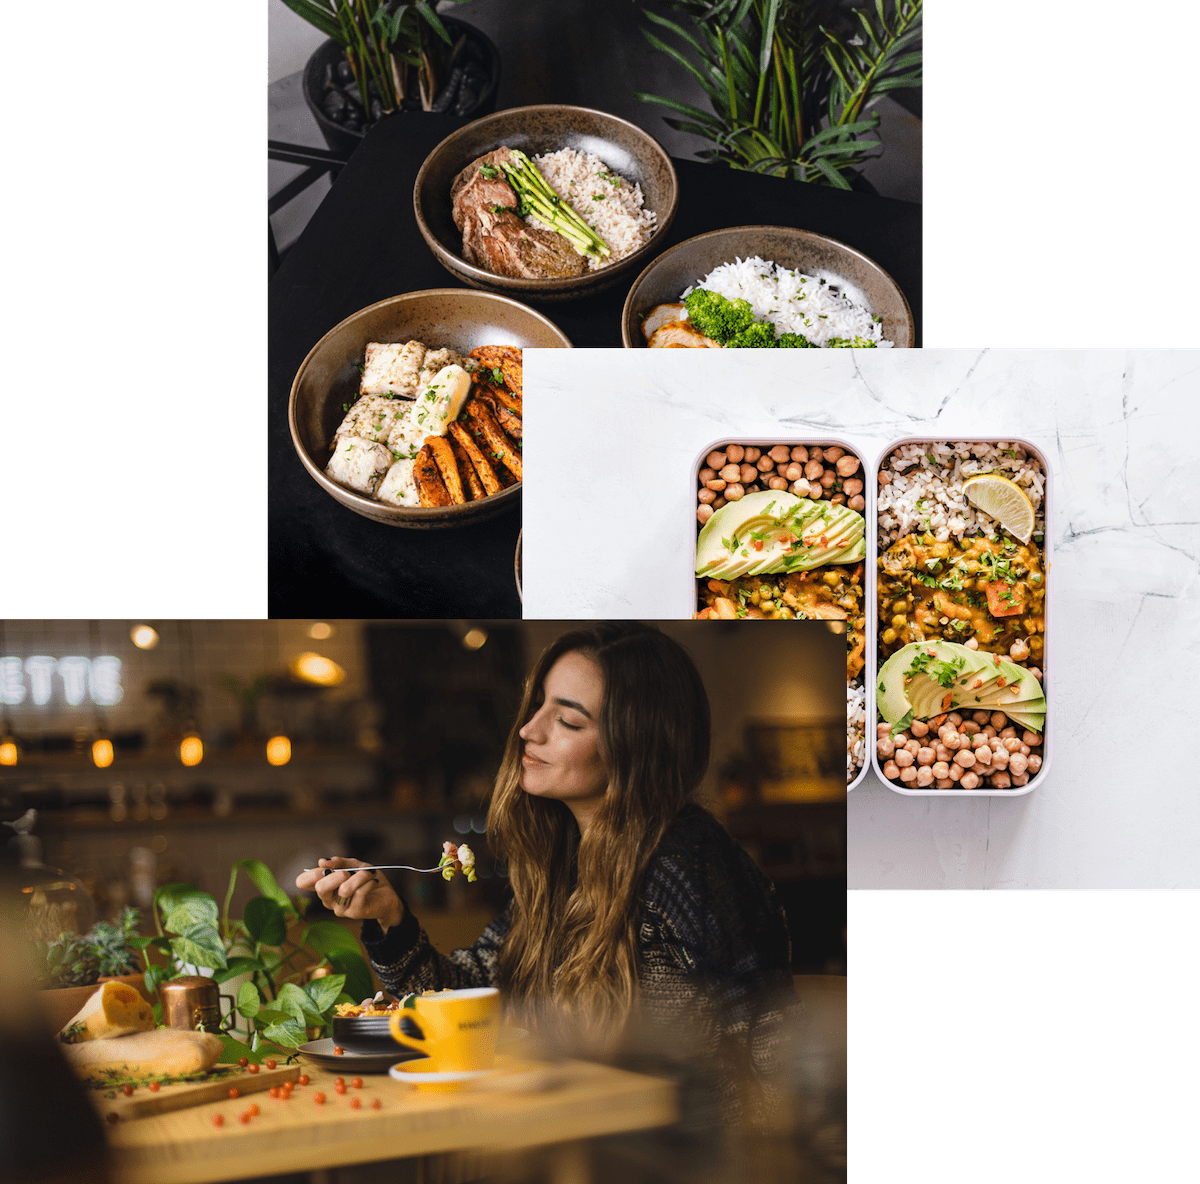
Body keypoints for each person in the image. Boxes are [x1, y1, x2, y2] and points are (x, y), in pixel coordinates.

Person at [295, 622, 798, 1123]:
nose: (527, 730)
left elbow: (770, 1044)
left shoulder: (685, 859)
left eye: (569, 722)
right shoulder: (564, 864)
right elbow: (474, 995)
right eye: (538, 706)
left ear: (636, 747)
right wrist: (389, 917)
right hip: (579, 1136)